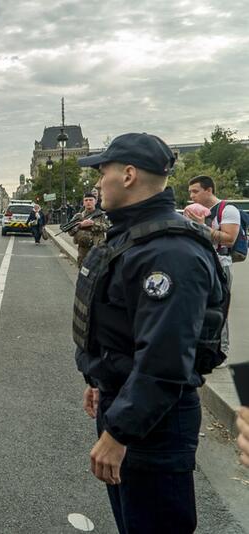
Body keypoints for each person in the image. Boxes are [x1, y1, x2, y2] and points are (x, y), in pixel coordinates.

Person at [73, 133, 227, 534]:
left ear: (127, 174)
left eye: (102, 171)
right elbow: (122, 328)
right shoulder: (135, 235)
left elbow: (165, 358)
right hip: (128, 405)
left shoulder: (169, 251)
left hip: (153, 425)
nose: (97, 182)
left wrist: (120, 432)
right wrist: (100, 380)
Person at [186, 175, 239, 358]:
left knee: (220, 308)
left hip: (221, 263)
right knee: (198, 307)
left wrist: (202, 226)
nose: (192, 196)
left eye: (195, 191)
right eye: (190, 192)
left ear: (209, 190)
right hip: (200, 262)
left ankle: (221, 351)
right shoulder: (196, 210)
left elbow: (230, 239)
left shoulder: (227, 210)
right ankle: (203, 349)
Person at [68, 191, 110, 266]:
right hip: (83, 251)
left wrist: (93, 224)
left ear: (95, 201)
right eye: (86, 200)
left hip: (98, 249)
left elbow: (108, 227)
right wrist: (80, 225)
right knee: (83, 272)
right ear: (83, 203)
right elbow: (70, 232)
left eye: (91, 200)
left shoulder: (102, 215)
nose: (88, 202)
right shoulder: (78, 216)